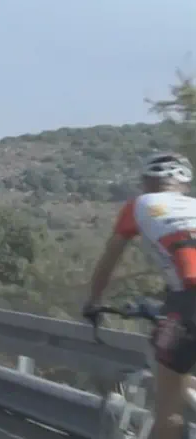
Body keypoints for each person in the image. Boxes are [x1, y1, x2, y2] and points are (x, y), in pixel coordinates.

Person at [82, 152, 196, 439]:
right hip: (181, 298)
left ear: (147, 182)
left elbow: (109, 260)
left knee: (169, 407)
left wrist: (93, 301)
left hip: (188, 305)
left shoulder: (139, 205)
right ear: (185, 185)